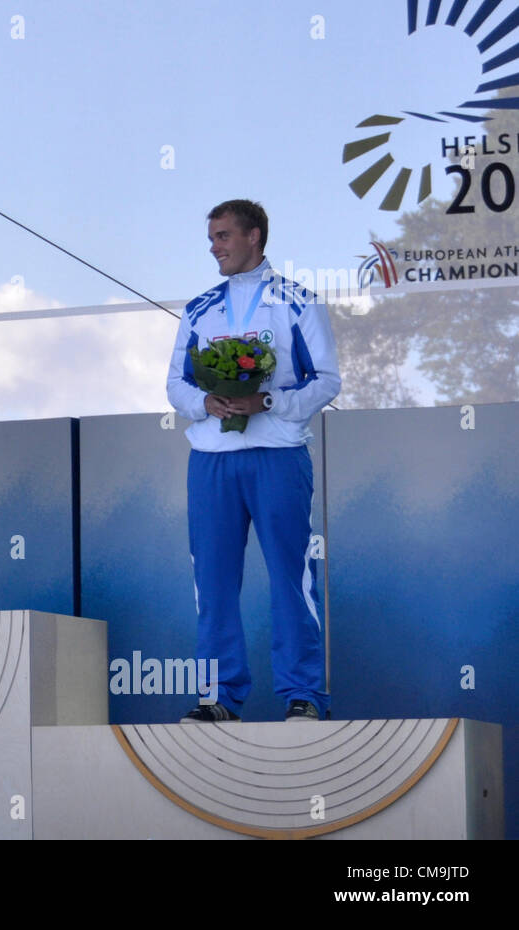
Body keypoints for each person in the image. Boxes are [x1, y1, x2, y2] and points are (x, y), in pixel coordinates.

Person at [165, 199, 341, 723]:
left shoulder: (300, 301)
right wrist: (206, 403)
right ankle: (218, 697)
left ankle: (303, 694)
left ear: (254, 236)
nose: (213, 246)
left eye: (222, 236)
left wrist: (269, 402)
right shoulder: (199, 308)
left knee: (292, 577)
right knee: (213, 581)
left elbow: (327, 380)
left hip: (278, 455)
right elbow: (176, 384)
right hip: (213, 458)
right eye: (212, 237)